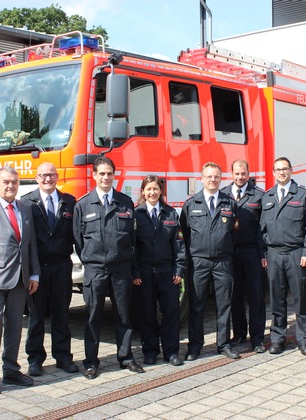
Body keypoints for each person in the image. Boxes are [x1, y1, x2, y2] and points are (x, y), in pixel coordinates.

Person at [73, 156, 144, 379]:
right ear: (94, 175)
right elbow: (78, 239)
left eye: (109, 173)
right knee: (93, 315)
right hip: (95, 270)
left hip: (120, 269)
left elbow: (132, 237)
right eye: (101, 173)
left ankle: (126, 357)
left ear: (114, 175)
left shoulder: (125, 202)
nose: (105, 177)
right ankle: (91, 362)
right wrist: (92, 259)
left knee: (123, 315)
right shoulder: (83, 204)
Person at [0, 166, 41, 398]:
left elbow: (30, 244)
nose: (10, 186)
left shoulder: (25, 208)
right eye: (5, 182)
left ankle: (11, 369)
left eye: (14, 182)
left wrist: (34, 274)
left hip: (21, 279)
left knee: (14, 326)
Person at [21, 162, 78, 376]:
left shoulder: (69, 202)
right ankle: (35, 359)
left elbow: (76, 235)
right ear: (36, 178)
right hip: (37, 268)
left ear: (57, 177)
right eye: (43, 175)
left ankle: (63, 357)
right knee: (36, 316)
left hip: (62, 266)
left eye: (52, 175)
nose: (48, 179)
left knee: (62, 314)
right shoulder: (27, 202)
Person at [180, 162, 240, 361]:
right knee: (196, 305)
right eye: (209, 176)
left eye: (216, 176)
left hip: (223, 261)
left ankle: (223, 344)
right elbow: (184, 234)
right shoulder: (191, 204)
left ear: (221, 178)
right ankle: (195, 346)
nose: (212, 180)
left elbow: (235, 233)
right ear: (202, 178)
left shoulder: (230, 203)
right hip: (199, 262)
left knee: (224, 304)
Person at [260, 157, 306, 356]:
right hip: (275, 254)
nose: (281, 173)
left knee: (300, 299)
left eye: (285, 169)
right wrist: (265, 252)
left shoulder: (303, 194)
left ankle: (303, 339)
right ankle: (278, 339)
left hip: (296, 253)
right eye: (277, 170)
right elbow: (262, 229)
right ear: (273, 172)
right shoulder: (267, 196)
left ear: (291, 171)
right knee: (276, 299)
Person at [132, 175, 186, 367]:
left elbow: (179, 245)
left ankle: (171, 352)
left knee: (171, 313)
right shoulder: (135, 214)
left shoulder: (170, 213)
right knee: (147, 314)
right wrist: (135, 272)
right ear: (143, 192)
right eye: (149, 189)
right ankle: (150, 352)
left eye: (156, 189)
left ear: (161, 191)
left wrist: (179, 269)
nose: (152, 192)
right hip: (145, 273)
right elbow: (133, 247)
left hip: (167, 272)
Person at [220, 159, 267, 353]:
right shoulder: (222, 195)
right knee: (234, 296)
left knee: (256, 296)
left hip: (252, 253)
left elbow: (264, 228)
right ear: (231, 174)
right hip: (230, 253)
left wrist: (263, 253)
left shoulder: (259, 195)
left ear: (249, 174)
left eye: (243, 173)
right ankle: (239, 333)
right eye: (237, 173)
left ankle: (257, 338)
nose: (240, 177)